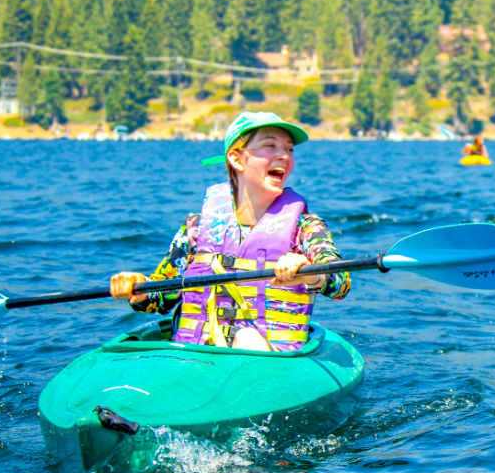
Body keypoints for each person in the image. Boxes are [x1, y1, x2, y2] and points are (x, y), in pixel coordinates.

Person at [108, 111, 351, 351]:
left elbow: (341, 283)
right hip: (196, 357)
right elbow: (161, 298)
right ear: (237, 159)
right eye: (270, 146)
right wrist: (138, 287)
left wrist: (309, 273)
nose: (283, 156)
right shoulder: (195, 230)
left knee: (247, 338)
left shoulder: (305, 228)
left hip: (272, 361)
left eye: (289, 149)